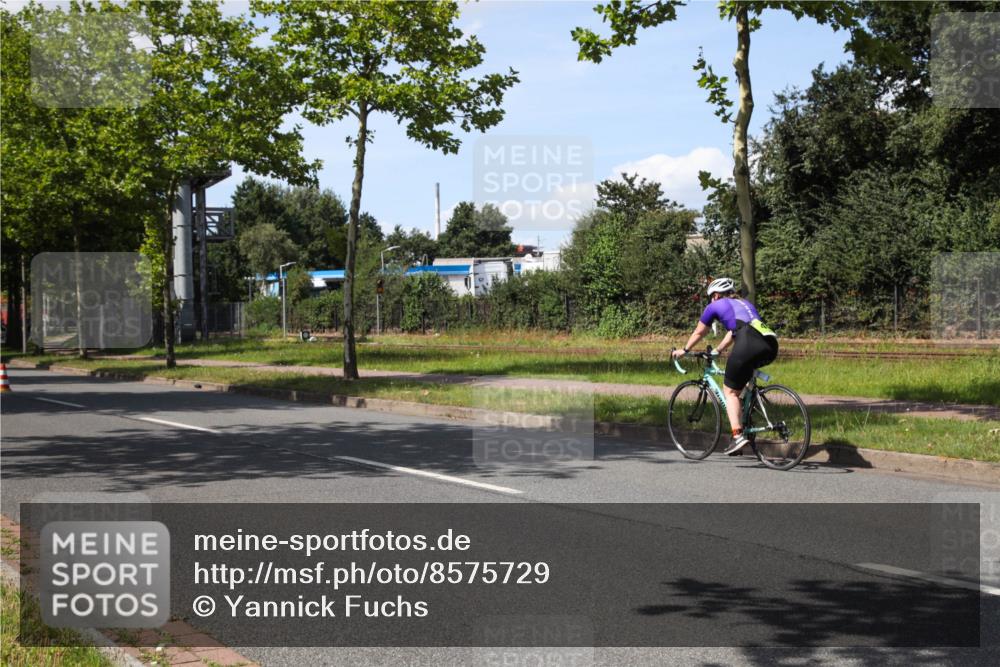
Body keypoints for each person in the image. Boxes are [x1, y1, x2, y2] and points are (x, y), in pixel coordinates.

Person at [671, 277, 778, 455]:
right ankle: (747, 423)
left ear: (716, 295)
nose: (711, 300)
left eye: (712, 296)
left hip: (748, 342)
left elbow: (700, 331)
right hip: (770, 343)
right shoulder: (743, 303)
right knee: (741, 385)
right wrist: (719, 350)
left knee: (729, 391)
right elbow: (734, 332)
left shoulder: (714, 306)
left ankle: (737, 436)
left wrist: (684, 350)